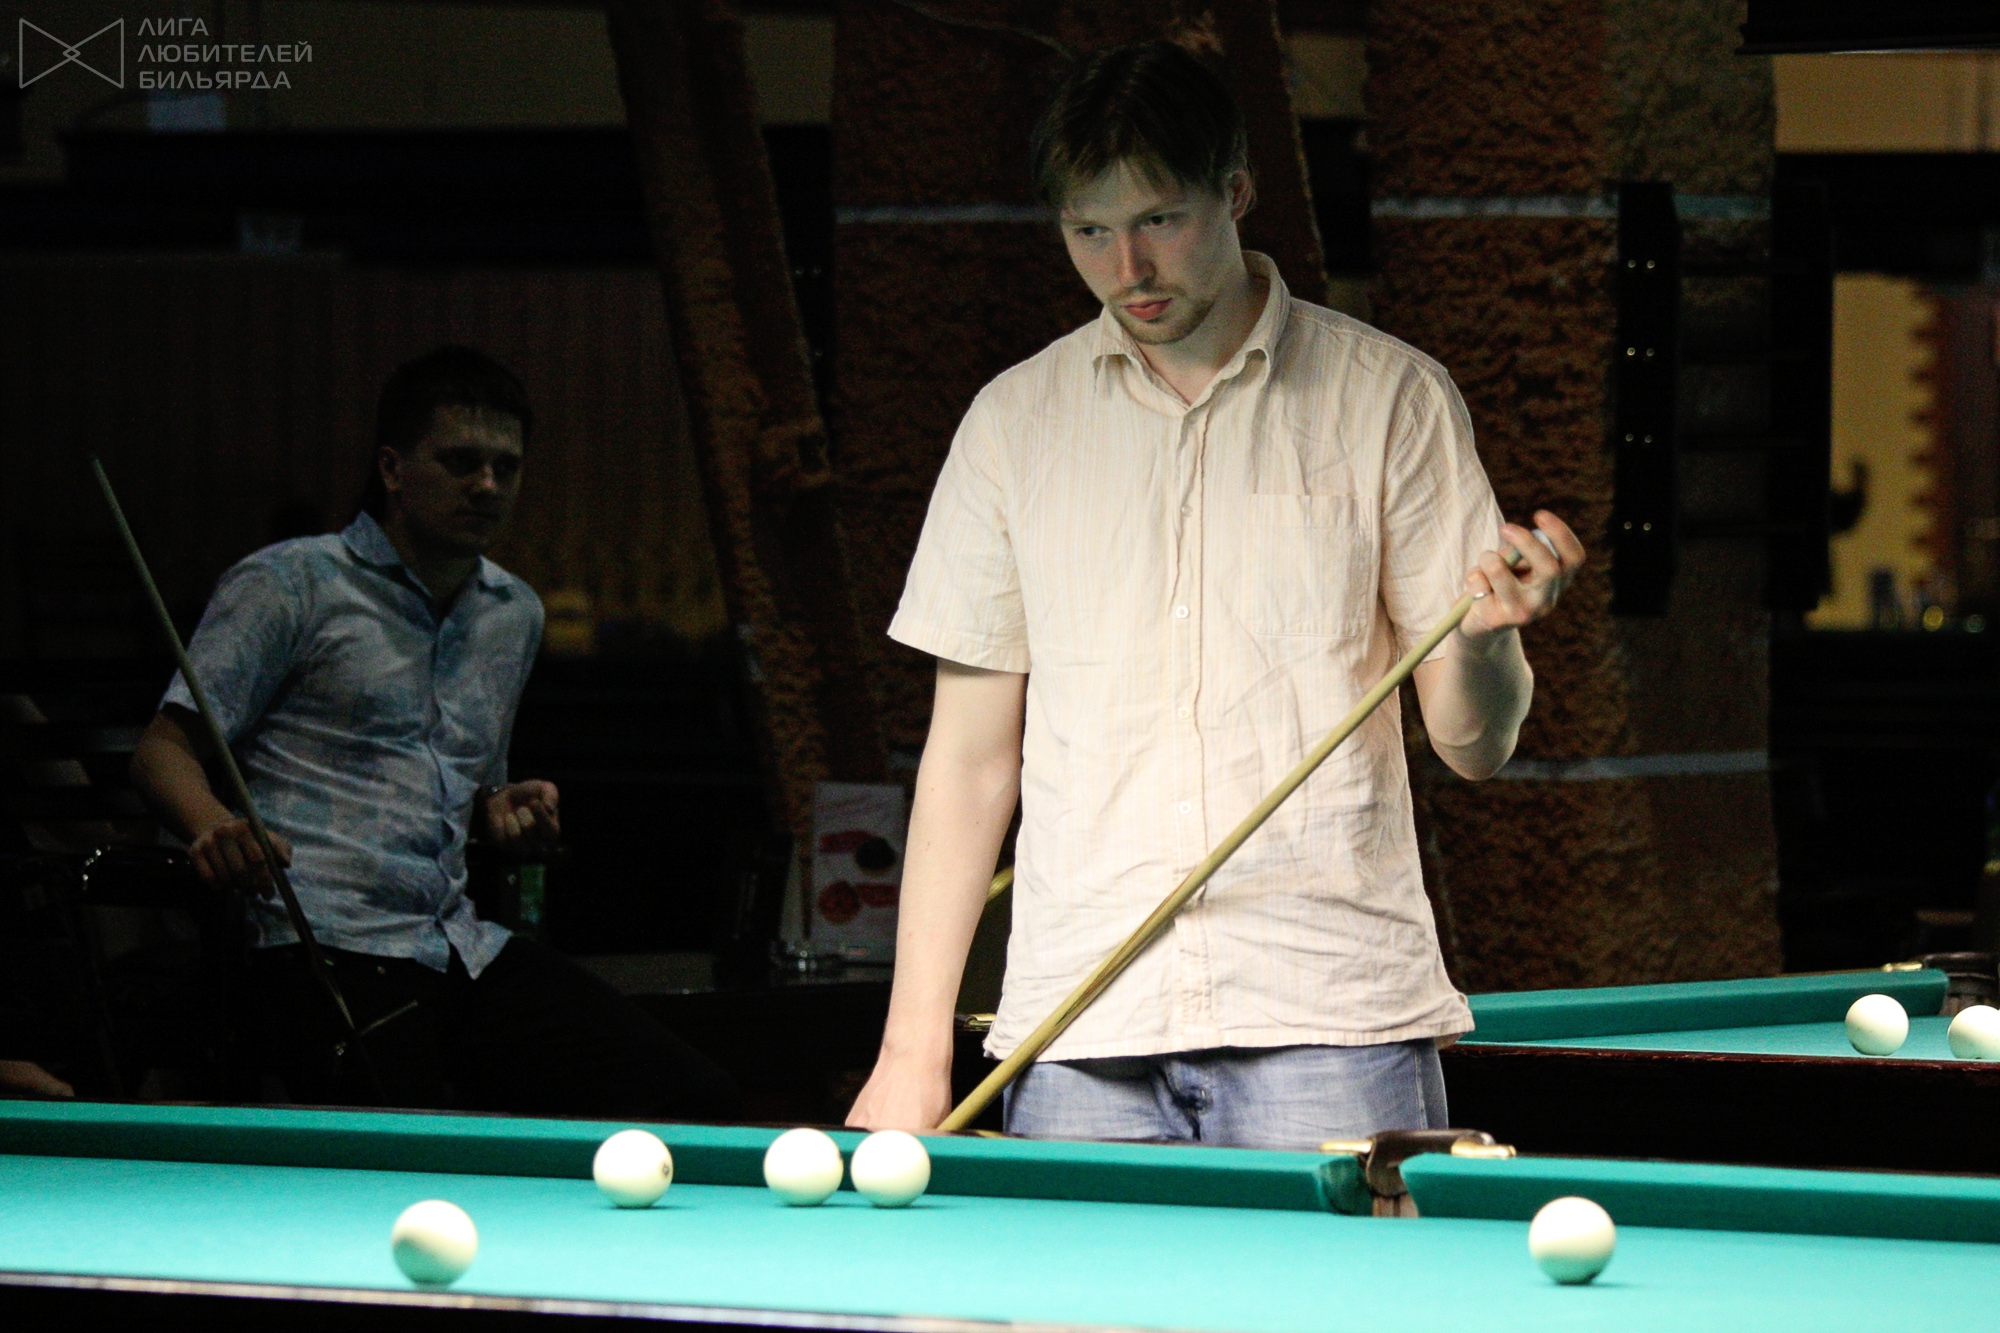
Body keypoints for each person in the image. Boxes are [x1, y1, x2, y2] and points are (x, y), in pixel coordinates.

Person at [846, 42, 1586, 1148]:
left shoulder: (1389, 398)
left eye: (1160, 220)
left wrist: (1482, 643)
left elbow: (1474, 747)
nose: (1128, 267)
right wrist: (911, 1051)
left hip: (1327, 1019)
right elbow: (968, 761)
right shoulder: (1011, 425)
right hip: (1080, 1027)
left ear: (1235, 192)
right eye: (1089, 231)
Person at [131, 346, 739, 1119]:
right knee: (413, 1124)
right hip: (312, 940)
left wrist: (502, 809)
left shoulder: (514, 613)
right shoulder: (290, 582)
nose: (487, 485)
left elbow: (471, 786)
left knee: (696, 1094)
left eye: (506, 467)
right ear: (392, 467)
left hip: (455, 945)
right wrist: (215, 824)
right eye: (460, 462)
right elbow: (161, 752)